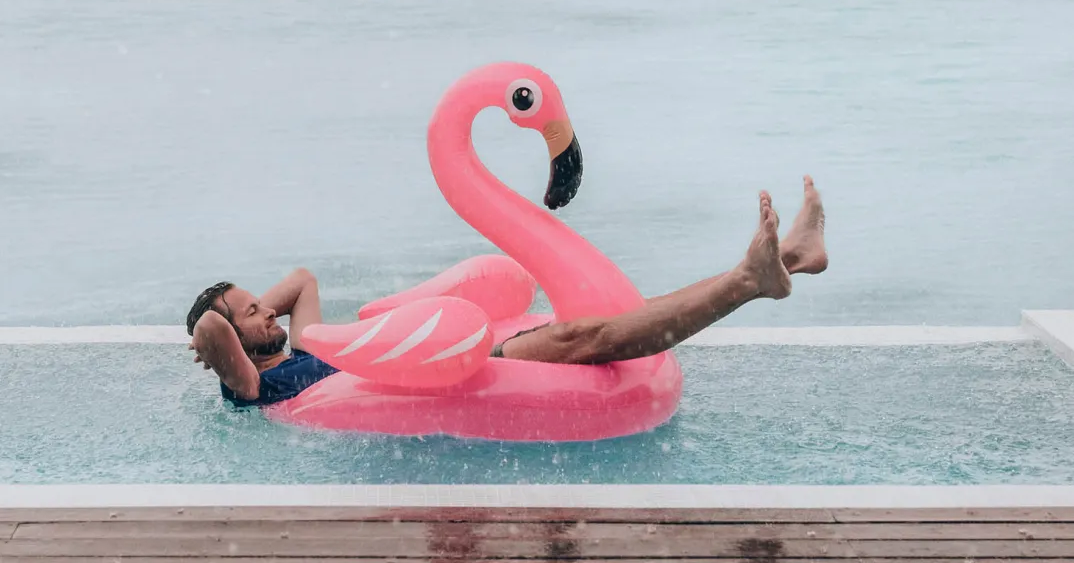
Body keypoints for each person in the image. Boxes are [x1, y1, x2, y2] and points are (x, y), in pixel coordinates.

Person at [188, 176, 828, 407]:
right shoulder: (250, 386)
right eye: (252, 311)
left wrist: (257, 309)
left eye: (260, 304)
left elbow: (302, 279)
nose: (267, 310)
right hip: (428, 381)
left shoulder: (301, 347)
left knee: (600, 318)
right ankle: (748, 282)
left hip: (433, 364)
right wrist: (216, 332)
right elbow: (212, 332)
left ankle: (790, 259)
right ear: (233, 341)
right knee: (588, 336)